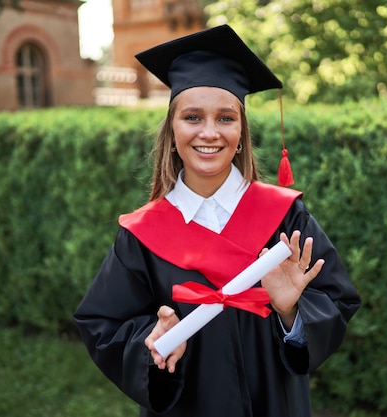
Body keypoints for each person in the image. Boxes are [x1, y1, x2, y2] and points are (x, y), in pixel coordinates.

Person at [74, 24, 361, 417]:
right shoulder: (142, 234)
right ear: (172, 130)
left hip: (273, 403)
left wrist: (292, 313)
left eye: (225, 118)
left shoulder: (284, 216)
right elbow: (102, 324)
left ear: (241, 132)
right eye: (192, 117)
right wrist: (152, 342)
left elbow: (336, 299)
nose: (209, 132)